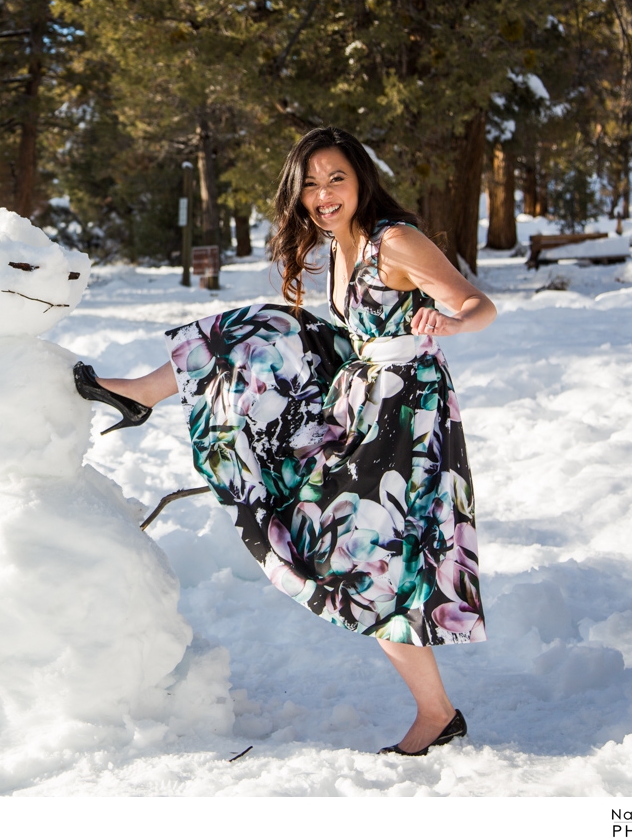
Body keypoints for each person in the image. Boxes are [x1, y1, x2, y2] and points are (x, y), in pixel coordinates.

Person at [74, 126, 495, 755]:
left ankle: (436, 715)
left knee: (368, 553)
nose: (323, 194)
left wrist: (451, 319)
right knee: (262, 328)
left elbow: (477, 303)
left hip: (405, 411)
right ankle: (143, 391)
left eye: (336, 179)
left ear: (361, 181)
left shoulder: (396, 240)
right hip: (360, 388)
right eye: (310, 184)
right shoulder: (336, 246)